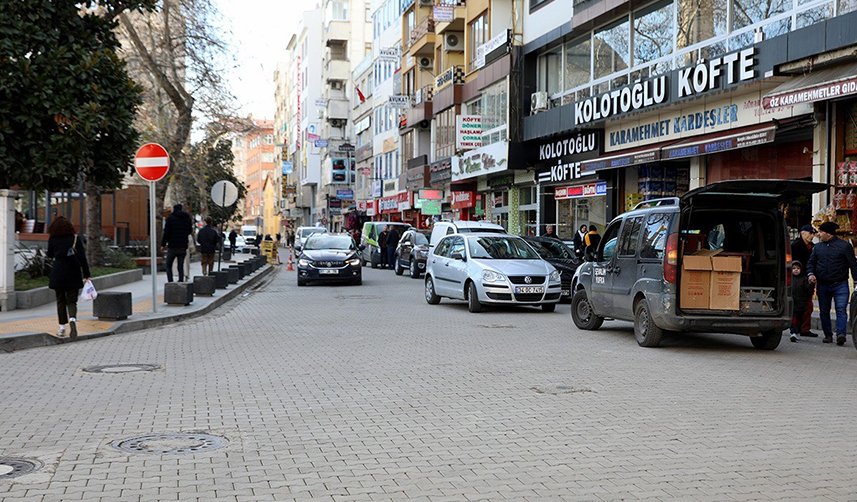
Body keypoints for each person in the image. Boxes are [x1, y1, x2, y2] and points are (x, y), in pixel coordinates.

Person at [806, 221, 857, 345]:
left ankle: (841, 334)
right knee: (824, 310)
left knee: (840, 309)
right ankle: (828, 335)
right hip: (823, 284)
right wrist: (810, 274)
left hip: (840, 284)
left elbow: (853, 265)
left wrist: (856, 281)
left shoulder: (844, 246)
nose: (818, 234)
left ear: (828, 234)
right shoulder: (817, 248)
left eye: (820, 232)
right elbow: (811, 263)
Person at [46, 216, 90, 339]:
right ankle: (72, 320)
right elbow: (82, 258)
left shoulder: (53, 239)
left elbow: (50, 255)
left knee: (60, 301)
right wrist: (87, 275)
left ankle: (62, 328)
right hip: (73, 273)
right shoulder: (75, 238)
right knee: (71, 301)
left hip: (58, 273)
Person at [791, 224, 818, 337]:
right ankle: (795, 329)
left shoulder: (813, 247)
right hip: (797, 280)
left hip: (809, 278)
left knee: (808, 305)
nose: (812, 236)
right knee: (796, 307)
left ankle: (805, 328)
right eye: (810, 233)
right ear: (803, 233)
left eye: (813, 234)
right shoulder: (795, 246)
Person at [161, 204, 193, 283]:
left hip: (172, 246)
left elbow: (166, 233)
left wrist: (163, 244)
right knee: (180, 265)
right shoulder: (187, 219)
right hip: (183, 246)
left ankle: (170, 281)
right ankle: (181, 280)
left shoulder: (170, 219)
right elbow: (189, 231)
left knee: (169, 265)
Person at [790, 261, 814, 342]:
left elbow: (808, 290)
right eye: (793, 268)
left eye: (798, 268)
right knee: (793, 318)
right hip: (792, 303)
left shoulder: (804, 279)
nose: (796, 270)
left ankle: (798, 332)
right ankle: (793, 332)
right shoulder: (789, 279)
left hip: (801, 303)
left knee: (800, 319)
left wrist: (811, 284)